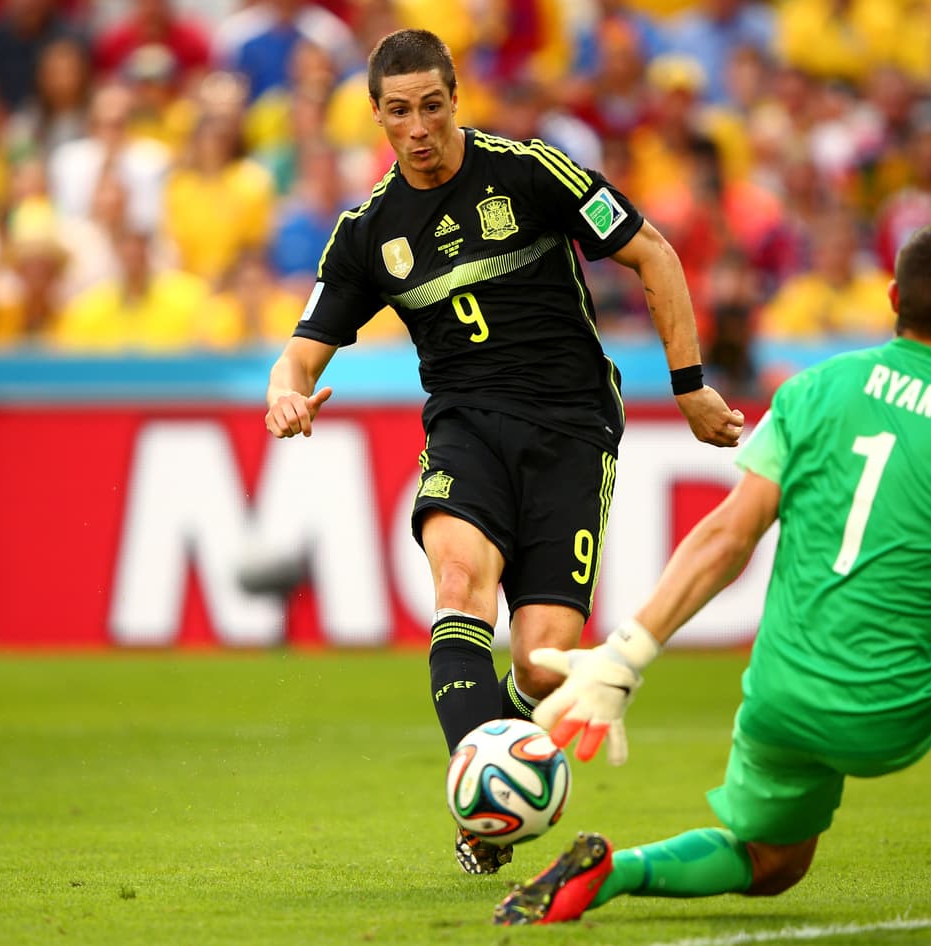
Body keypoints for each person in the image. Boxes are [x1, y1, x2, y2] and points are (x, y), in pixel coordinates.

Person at [492, 220, 931, 925]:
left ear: (893, 297)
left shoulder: (815, 389)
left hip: (781, 698)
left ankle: (617, 870)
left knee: (769, 861)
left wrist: (625, 656)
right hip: (892, 707)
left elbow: (730, 535)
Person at [263, 28, 744, 876]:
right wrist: (286, 394)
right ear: (376, 115)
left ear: (457, 98)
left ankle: (503, 743)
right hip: (467, 426)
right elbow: (302, 349)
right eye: (399, 112)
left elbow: (652, 252)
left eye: (433, 106)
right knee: (458, 585)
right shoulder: (370, 230)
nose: (418, 128)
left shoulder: (531, 172)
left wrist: (690, 384)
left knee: (543, 661)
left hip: (571, 429)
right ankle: (480, 808)